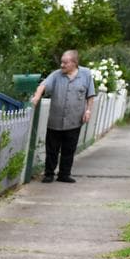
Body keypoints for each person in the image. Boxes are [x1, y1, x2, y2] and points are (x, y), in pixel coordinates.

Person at [30, 50, 96, 183]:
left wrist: (88, 111)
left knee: (69, 149)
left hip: (74, 120)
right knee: (52, 149)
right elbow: (43, 85)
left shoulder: (86, 74)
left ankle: (64, 174)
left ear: (74, 63)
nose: (62, 65)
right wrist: (36, 97)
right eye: (61, 62)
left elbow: (90, 95)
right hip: (55, 120)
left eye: (65, 63)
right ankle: (49, 174)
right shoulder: (56, 75)